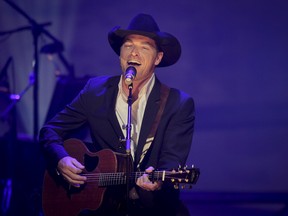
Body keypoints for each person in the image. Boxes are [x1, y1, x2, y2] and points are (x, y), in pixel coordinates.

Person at [39, 13, 195, 216]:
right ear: (120, 52)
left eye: (144, 47)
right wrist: (61, 160)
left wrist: (156, 182)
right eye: (128, 45)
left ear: (158, 58)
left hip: (152, 208)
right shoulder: (95, 91)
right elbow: (50, 130)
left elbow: (172, 159)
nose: (134, 54)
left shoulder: (178, 103)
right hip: (101, 207)